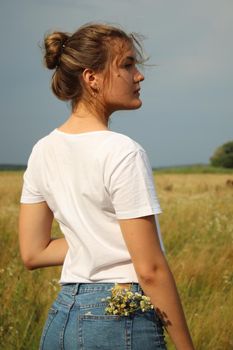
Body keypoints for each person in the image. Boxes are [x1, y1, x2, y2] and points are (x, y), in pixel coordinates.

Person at [18, 23, 194, 350]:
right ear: (91, 78)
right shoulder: (122, 151)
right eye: (127, 65)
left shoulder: (42, 150)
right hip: (117, 317)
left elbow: (33, 251)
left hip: (62, 318)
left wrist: (96, 239)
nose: (139, 76)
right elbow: (151, 270)